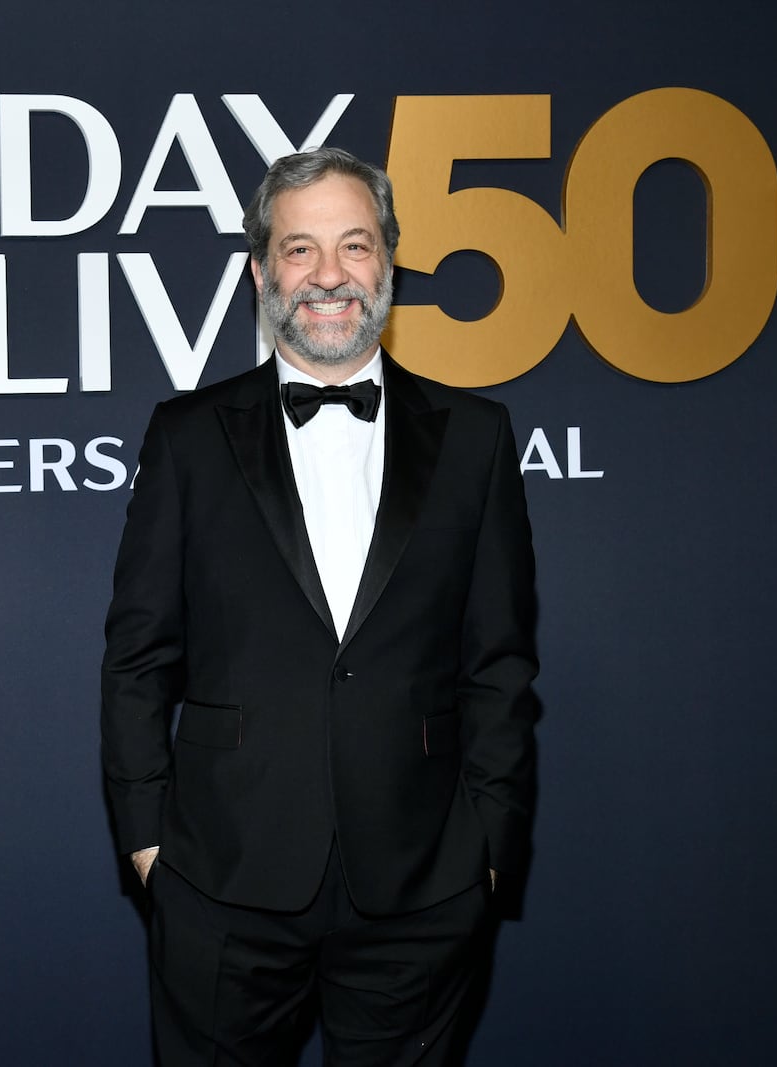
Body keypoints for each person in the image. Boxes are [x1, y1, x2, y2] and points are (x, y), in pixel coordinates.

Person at [100, 147, 539, 1065]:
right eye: (300, 250)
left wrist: (490, 845)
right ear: (261, 271)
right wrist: (147, 844)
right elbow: (138, 658)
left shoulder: (477, 438)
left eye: (354, 245)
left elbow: (498, 664)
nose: (329, 275)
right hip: (222, 879)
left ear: (389, 263)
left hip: (422, 883)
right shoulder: (187, 437)